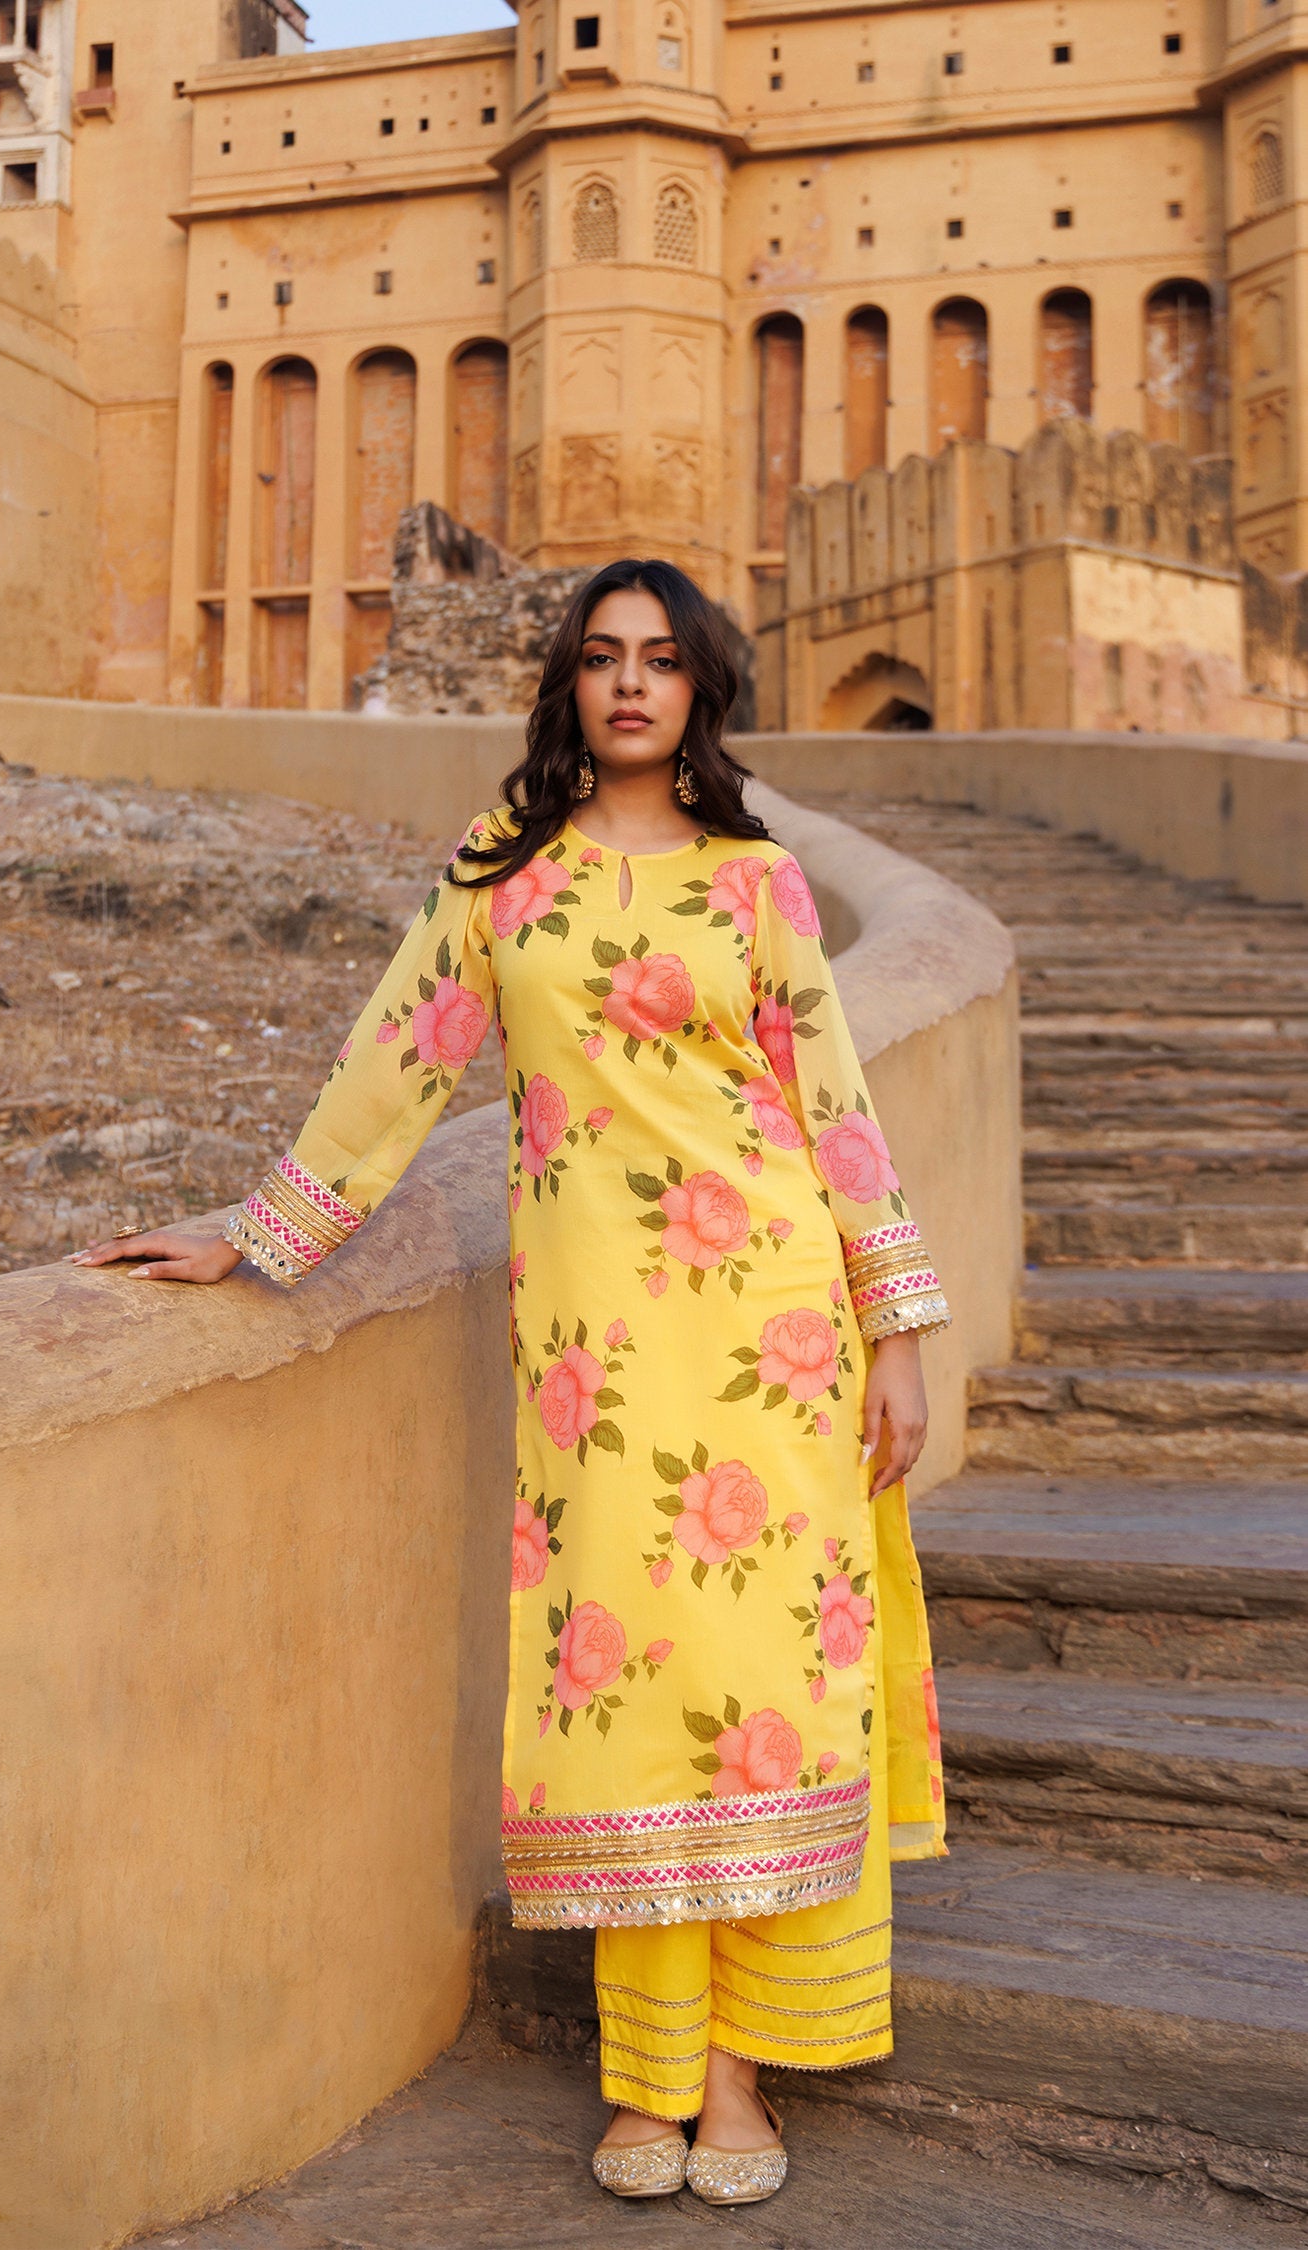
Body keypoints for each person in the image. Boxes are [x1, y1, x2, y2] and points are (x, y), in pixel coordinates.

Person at [73, 558, 948, 2207]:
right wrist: (255, 1230)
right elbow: (395, 1063)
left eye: (661, 659)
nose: (631, 683)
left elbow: (833, 1108)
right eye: (603, 657)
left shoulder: (758, 884)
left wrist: (894, 1326)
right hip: (596, 1365)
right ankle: (647, 2074)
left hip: (771, 1333)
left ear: (700, 688)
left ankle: (737, 2075)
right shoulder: (506, 872)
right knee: (628, 1689)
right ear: (570, 683)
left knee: (755, 1685)